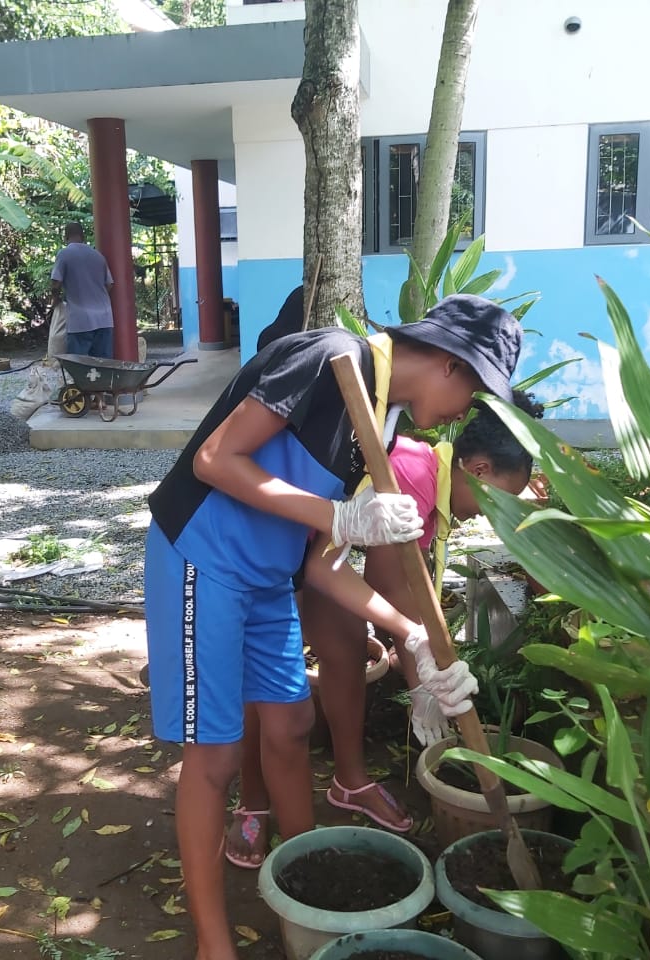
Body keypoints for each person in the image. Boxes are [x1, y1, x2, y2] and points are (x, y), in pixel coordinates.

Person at [144, 293, 522, 960]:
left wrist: (409, 635)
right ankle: (213, 944)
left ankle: (304, 878)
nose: (468, 411)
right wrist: (339, 516)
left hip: (271, 576)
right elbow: (214, 460)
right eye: (477, 389)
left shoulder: (380, 419)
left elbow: (321, 566)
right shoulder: (328, 360)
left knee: (290, 725)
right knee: (216, 756)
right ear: (447, 362)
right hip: (205, 559)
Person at [225, 393, 545, 864]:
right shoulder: (412, 478)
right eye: (503, 499)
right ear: (478, 470)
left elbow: (402, 595)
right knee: (264, 683)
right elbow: (388, 587)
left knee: (348, 649)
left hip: (315, 551)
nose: (498, 516)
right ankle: (251, 801)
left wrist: (429, 676)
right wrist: (424, 682)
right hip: (265, 546)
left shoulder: (435, 487)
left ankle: (349, 782)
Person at [50, 221, 114, 358]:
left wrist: (56, 299)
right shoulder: (98, 255)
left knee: (79, 364)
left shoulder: (64, 254)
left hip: (80, 320)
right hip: (104, 318)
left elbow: (56, 283)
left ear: (65, 237)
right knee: (104, 364)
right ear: (83, 236)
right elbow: (109, 284)